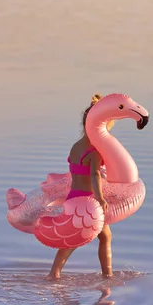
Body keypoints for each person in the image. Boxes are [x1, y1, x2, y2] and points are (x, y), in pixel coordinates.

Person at [46, 93, 115, 281]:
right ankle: (107, 275)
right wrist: (100, 198)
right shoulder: (95, 151)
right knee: (92, 238)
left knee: (77, 238)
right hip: (88, 199)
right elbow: (94, 175)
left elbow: (76, 173)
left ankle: (54, 273)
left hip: (73, 197)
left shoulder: (76, 146)